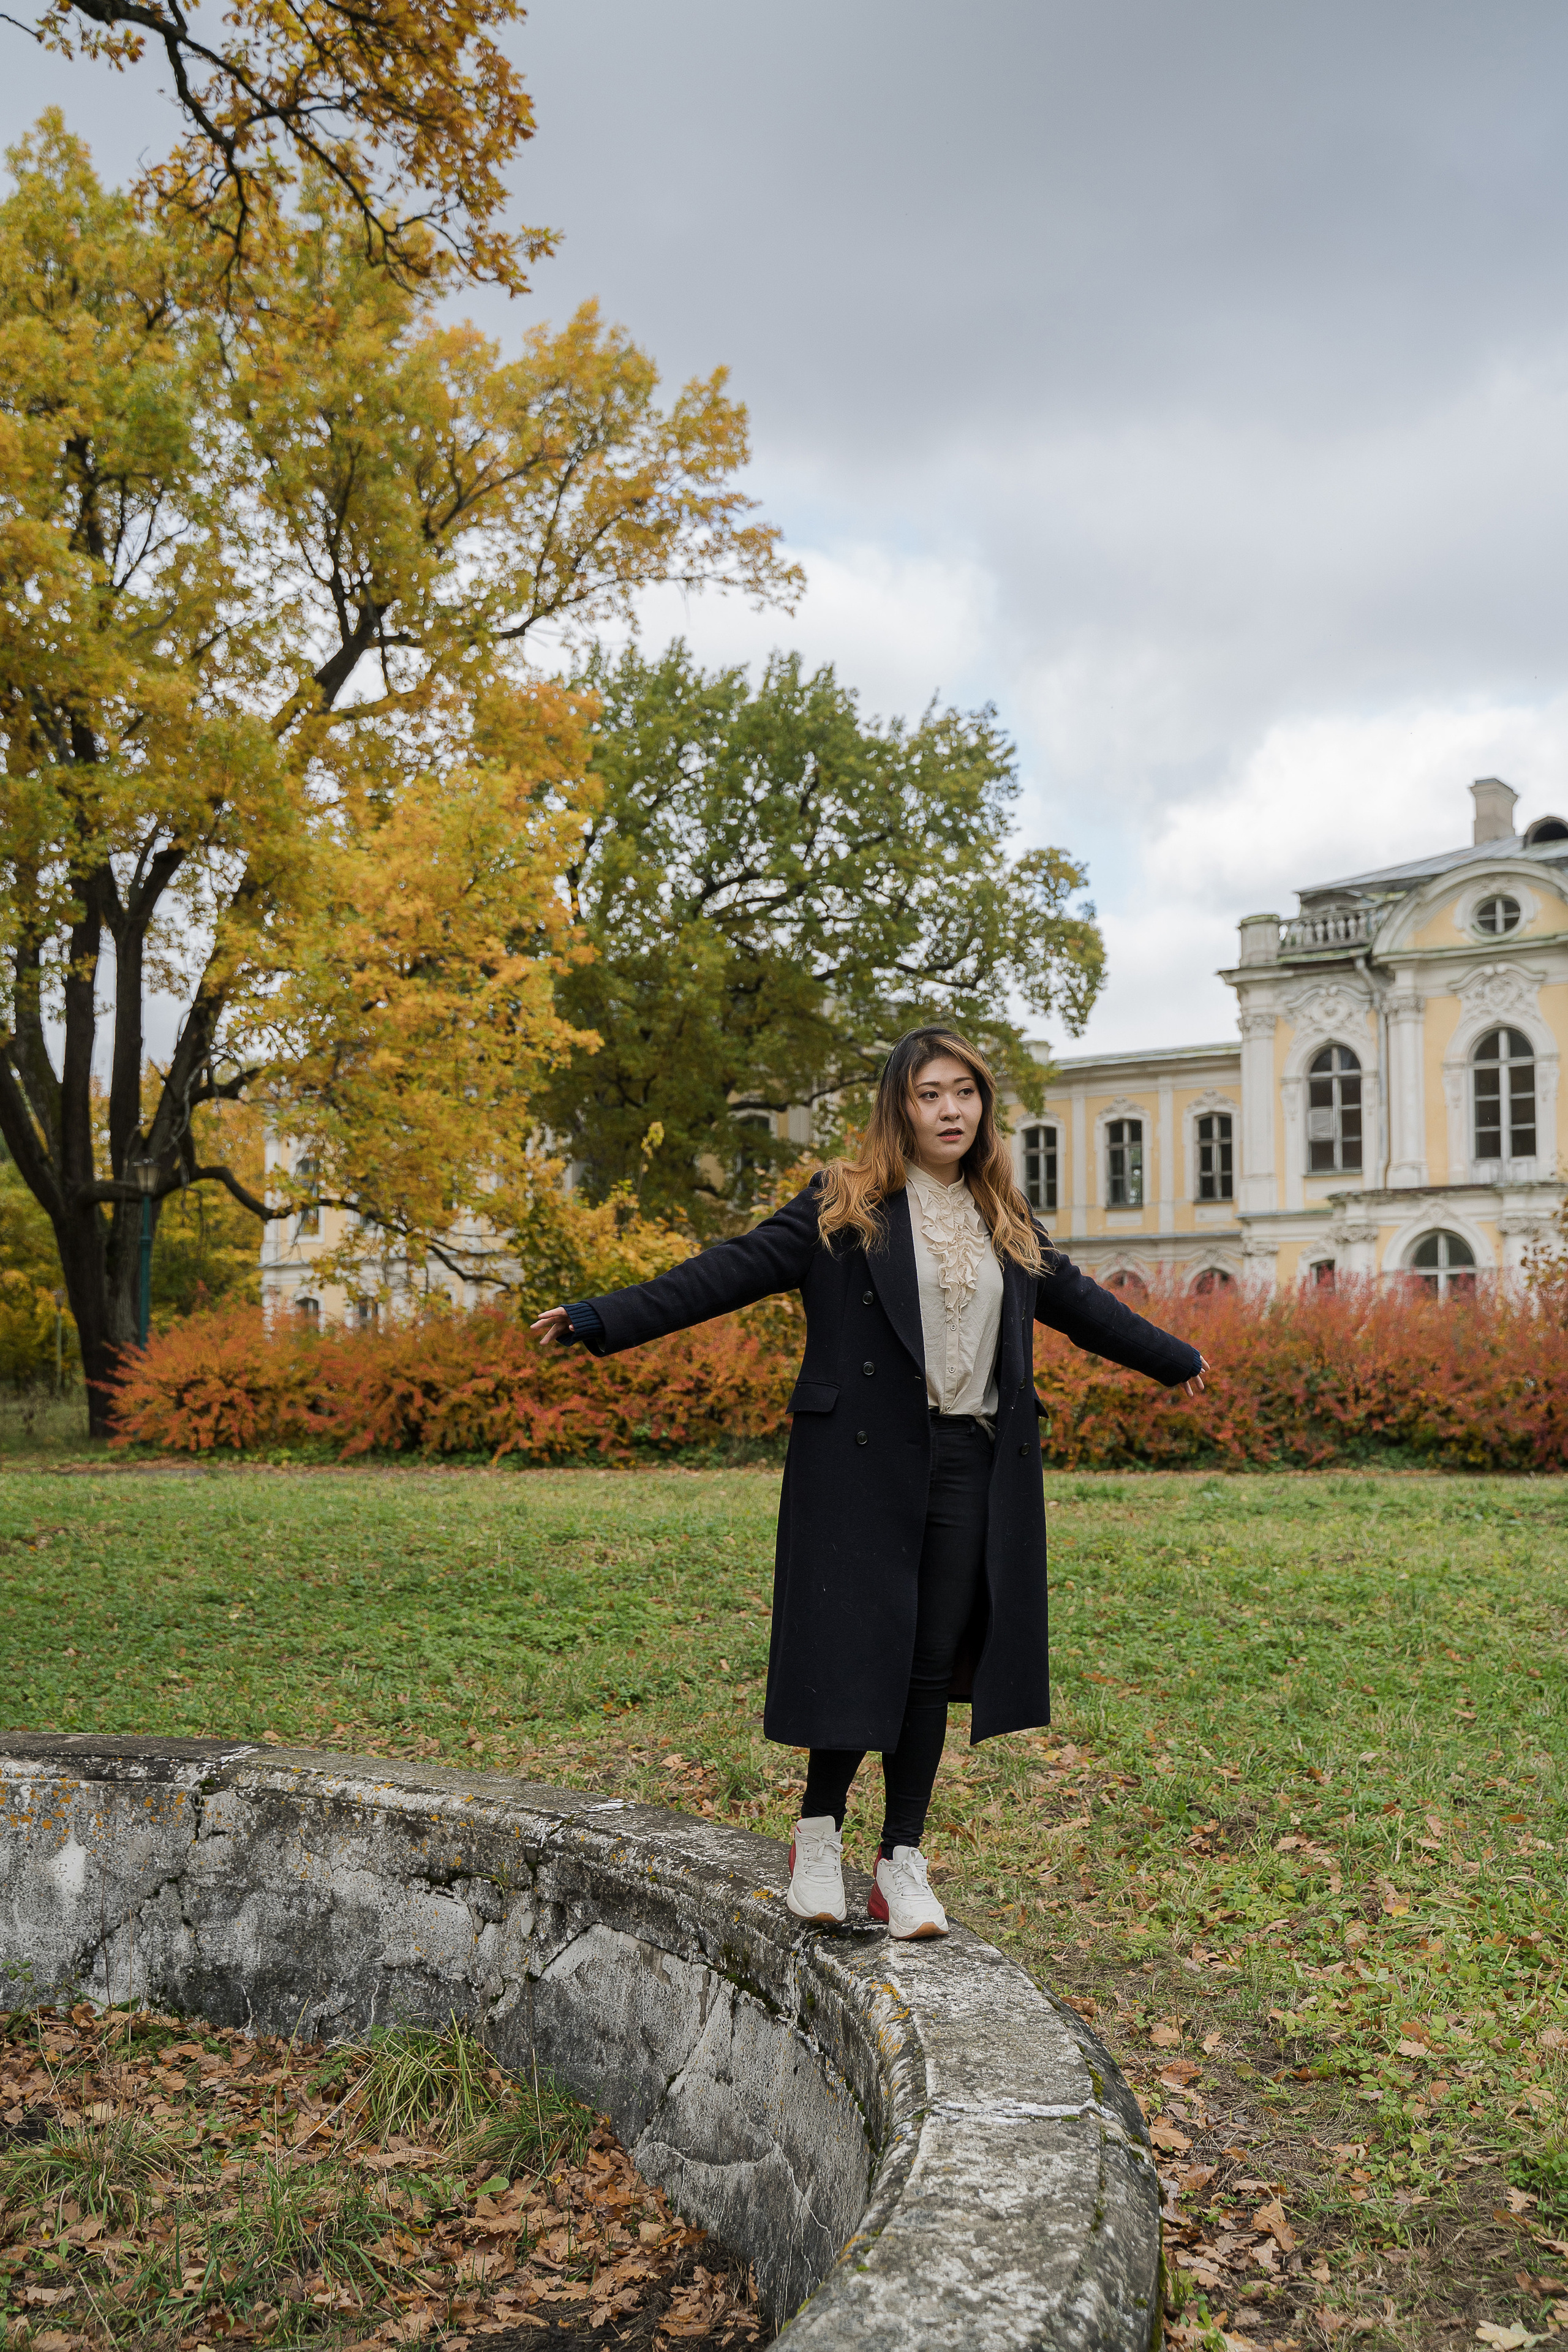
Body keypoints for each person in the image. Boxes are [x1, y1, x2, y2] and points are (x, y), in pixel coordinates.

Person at [532, 1027, 1206, 1940]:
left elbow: (1086, 1307)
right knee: (860, 1649)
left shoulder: (1005, 1218)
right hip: (860, 1461)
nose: (951, 1110)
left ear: (984, 1107)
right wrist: (599, 1317)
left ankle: (902, 1860)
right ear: (901, 1105)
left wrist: (1178, 1359)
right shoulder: (845, 1206)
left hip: (972, 1459)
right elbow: (726, 1271)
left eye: (965, 1093)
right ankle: (818, 1837)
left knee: (930, 1660)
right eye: (932, 1094)